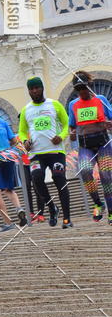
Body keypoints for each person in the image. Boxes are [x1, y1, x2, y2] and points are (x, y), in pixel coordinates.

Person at [18, 77, 72, 228]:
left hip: (55, 151)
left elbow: (67, 124)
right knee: (36, 178)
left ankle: (67, 219)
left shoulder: (54, 104)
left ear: (42, 88)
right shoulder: (25, 110)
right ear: (29, 91)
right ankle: (51, 207)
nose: (34, 91)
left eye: (37, 88)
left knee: (58, 177)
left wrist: (61, 136)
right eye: (31, 89)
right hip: (36, 153)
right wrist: (25, 141)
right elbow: (22, 131)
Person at [68, 71, 112, 225]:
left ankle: (111, 211)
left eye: (84, 88)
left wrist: (109, 125)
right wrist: (72, 134)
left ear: (89, 86)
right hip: (85, 145)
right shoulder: (73, 105)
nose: (82, 92)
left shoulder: (101, 100)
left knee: (106, 175)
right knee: (85, 169)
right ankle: (97, 203)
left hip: (103, 144)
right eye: (78, 89)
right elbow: (72, 127)